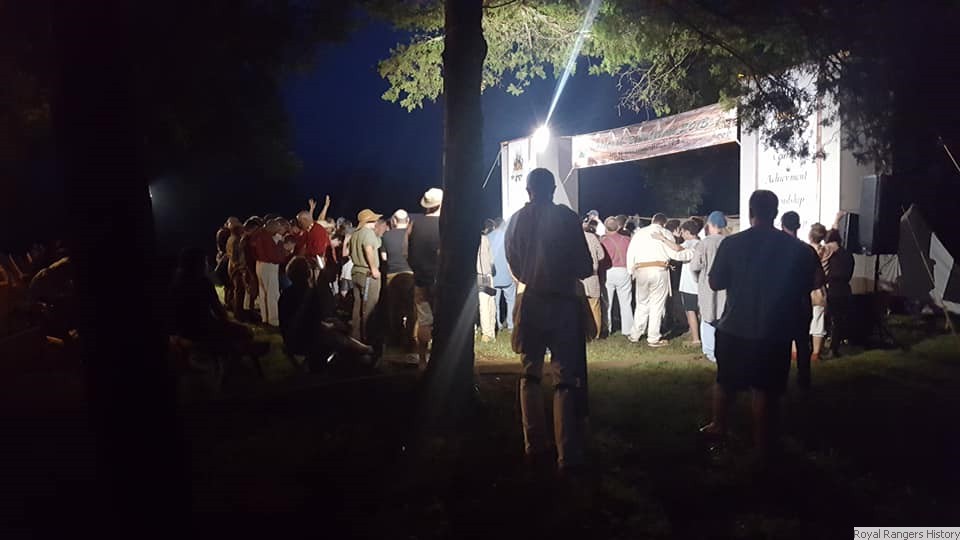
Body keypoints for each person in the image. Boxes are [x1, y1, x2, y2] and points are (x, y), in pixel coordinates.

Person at [701, 190, 823, 461]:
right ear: (776, 212)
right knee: (765, 388)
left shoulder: (732, 244)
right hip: (775, 328)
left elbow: (715, 282)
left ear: (750, 212)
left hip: (735, 325)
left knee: (725, 381)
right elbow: (814, 281)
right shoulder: (796, 248)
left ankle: (718, 426)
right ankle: (762, 445)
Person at [506, 168, 593, 471]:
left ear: (528, 190)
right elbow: (584, 266)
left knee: (529, 373)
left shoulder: (516, 220)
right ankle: (566, 453)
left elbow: (514, 263)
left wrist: (531, 273)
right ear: (553, 189)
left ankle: (534, 445)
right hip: (563, 303)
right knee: (564, 378)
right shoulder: (567, 218)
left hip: (531, 300)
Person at [278, 256, 373, 369]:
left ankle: (364, 350)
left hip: (291, 339)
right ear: (308, 273)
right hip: (307, 340)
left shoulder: (285, 295)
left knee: (335, 329)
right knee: (337, 335)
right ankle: (366, 350)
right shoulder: (310, 294)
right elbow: (315, 323)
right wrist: (333, 325)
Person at [169, 247, 264, 359]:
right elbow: (219, 311)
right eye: (205, 262)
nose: (207, 265)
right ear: (198, 264)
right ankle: (238, 356)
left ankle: (238, 353)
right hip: (204, 329)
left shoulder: (175, 282)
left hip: (182, 330)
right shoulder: (203, 283)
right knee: (244, 332)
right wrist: (227, 322)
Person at [626, 213, 695, 347]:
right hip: (659, 270)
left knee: (642, 303)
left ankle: (635, 334)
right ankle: (653, 337)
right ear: (663, 223)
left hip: (641, 270)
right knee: (657, 305)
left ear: (652, 221)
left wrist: (631, 271)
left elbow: (631, 252)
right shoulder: (665, 233)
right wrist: (691, 253)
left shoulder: (639, 233)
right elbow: (674, 253)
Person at [781, 210, 823, 389]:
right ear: (798, 226)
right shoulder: (807, 250)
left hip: (780, 303)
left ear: (782, 225)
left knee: (781, 343)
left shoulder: (776, 250)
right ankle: (804, 380)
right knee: (803, 342)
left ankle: (780, 381)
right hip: (801, 302)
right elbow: (819, 278)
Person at [406, 187, 443, 369]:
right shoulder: (444, 225)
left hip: (420, 278)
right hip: (440, 280)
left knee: (424, 321)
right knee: (441, 320)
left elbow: (406, 251)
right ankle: (439, 359)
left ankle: (422, 360)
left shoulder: (414, 224)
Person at [688, 211, 727, 362]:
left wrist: (698, 280)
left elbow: (694, 266)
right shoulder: (728, 242)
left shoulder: (703, 244)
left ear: (710, 224)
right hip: (725, 286)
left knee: (707, 317)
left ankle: (710, 352)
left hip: (707, 285)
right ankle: (723, 349)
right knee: (723, 316)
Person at [349, 209, 384, 353]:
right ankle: (367, 339)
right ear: (369, 221)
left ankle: (355, 337)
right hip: (368, 274)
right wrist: (374, 268)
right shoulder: (367, 233)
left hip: (356, 272)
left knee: (357, 306)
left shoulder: (355, 234)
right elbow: (368, 249)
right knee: (370, 308)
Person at [382, 209, 416, 351]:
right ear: (407, 220)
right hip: (410, 274)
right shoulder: (412, 234)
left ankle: (395, 339)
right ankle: (409, 339)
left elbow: (384, 257)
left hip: (392, 275)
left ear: (394, 221)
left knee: (394, 309)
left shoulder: (386, 235)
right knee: (411, 309)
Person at [600, 216, 633, 336]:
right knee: (626, 302)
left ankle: (607, 327)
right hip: (624, 270)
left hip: (608, 271)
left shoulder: (603, 241)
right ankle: (628, 329)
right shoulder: (627, 240)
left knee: (607, 302)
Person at [254, 218, 287, 326]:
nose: (278, 231)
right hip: (269, 266)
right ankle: (273, 320)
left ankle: (265, 318)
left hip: (260, 265)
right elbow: (273, 255)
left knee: (263, 292)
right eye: (277, 229)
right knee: (272, 293)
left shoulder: (260, 235)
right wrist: (280, 245)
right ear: (272, 228)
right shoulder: (267, 238)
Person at [488, 217, 516, 332]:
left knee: (495, 302)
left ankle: (498, 324)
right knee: (511, 300)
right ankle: (511, 325)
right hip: (507, 277)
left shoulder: (488, 237)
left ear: (495, 225)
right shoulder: (509, 238)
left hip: (493, 276)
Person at [295, 197, 333, 284]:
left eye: (300, 221)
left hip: (317, 266)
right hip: (309, 265)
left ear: (305, 220)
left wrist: (305, 251)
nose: (299, 224)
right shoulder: (307, 230)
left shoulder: (318, 230)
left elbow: (319, 250)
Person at [678, 219, 703, 345]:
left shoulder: (689, 243)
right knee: (700, 311)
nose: (681, 235)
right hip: (700, 284)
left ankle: (695, 338)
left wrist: (663, 239)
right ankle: (698, 333)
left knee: (690, 311)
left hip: (689, 284)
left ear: (688, 232)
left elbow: (677, 249)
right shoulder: (701, 243)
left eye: (682, 232)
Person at [808, 223, 829, 360]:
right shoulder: (826, 251)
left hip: (806, 289)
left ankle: (795, 352)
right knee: (818, 320)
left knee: (799, 321)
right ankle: (815, 353)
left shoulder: (805, 250)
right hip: (819, 289)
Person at [582, 219, 605, 339]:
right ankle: (596, 334)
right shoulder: (592, 237)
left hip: (576, 277)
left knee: (578, 306)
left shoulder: (569, 238)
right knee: (594, 305)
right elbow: (601, 255)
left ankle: (582, 333)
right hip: (592, 275)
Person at [477, 224, 496, 343]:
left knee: (485, 304)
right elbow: (491, 261)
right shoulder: (485, 239)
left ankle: (487, 333)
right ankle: (490, 332)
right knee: (489, 303)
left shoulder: (477, 239)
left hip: (481, 275)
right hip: (486, 275)